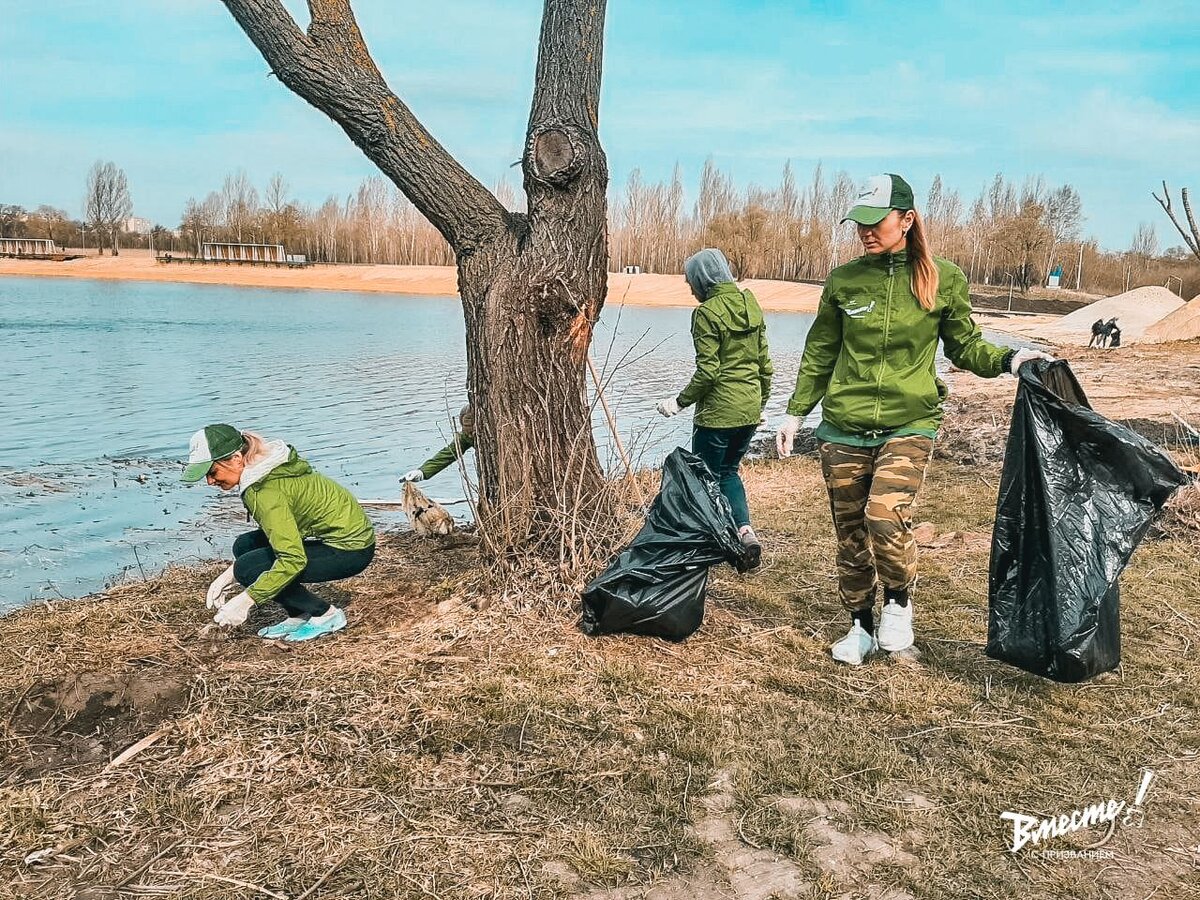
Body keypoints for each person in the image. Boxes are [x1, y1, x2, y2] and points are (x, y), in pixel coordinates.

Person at [775, 173, 1052, 665]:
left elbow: (965, 345)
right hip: (843, 426)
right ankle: (859, 625)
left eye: (874, 222)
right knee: (851, 534)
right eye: (857, 223)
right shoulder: (844, 281)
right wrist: (795, 412)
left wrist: (1010, 361)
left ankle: (899, 601)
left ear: (906, 219)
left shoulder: (942, 278)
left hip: (910, 423)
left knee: (883, 517)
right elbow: (820, 352)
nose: (864, 232)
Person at [183, 423, 376, 641]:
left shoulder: (264, 491)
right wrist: (229, 575)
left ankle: (325, 615)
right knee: (245, 547)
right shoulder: (266, 467)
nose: (209, 481)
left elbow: (293, 559)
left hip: (352, 550)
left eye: (212, 472)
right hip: (339, 538)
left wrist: (246, 600)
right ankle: (299, 613)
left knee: (248, 569)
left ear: (237, 458)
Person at [655, 248, 773, 568]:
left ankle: (710, 544)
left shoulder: (706, 314)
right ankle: (745, 531)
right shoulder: (751, 304)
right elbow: (765, 366)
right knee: (729, 472)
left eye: (691, 281)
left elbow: (709, 372)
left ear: (702, 280)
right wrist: (759, 405)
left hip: (717, 414)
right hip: (748, 409)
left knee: (704, 478)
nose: (691, 288)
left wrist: (677, 403)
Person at [403, 404, 474, 483]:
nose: (470, 434)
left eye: (472, 431)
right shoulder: (466, 436)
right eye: (467, 431)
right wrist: (422, 472)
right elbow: (447, 454)